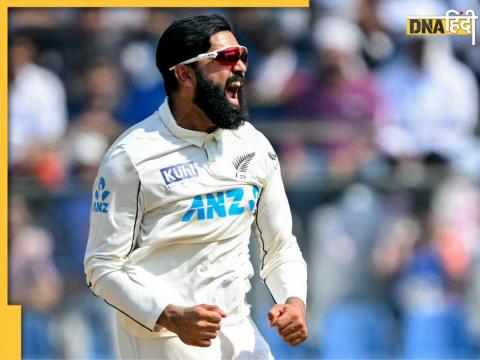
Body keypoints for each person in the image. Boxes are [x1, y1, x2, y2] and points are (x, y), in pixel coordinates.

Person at [84, 14, 308, 359]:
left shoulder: (253, 145)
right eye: (226, 59)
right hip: (164, 341)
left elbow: (280, 246)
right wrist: (170, 315)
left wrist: (293, 299)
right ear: (184, 74)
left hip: (240, 332)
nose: (241, 68)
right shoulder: (131, 157)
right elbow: (102, 266)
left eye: (242, 56)